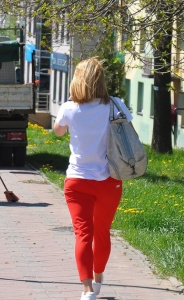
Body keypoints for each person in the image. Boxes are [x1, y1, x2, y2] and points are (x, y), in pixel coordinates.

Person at [53, 58, 133, 300]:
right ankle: (98, 279)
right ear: (101, 81)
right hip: (110, 179)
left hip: (77, 180)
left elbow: (58, 131)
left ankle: (87, 289)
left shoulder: (69, 108)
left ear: (77, 80)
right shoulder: (115, 105)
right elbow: (128, 127)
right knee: (102, 232)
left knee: (83, 234)